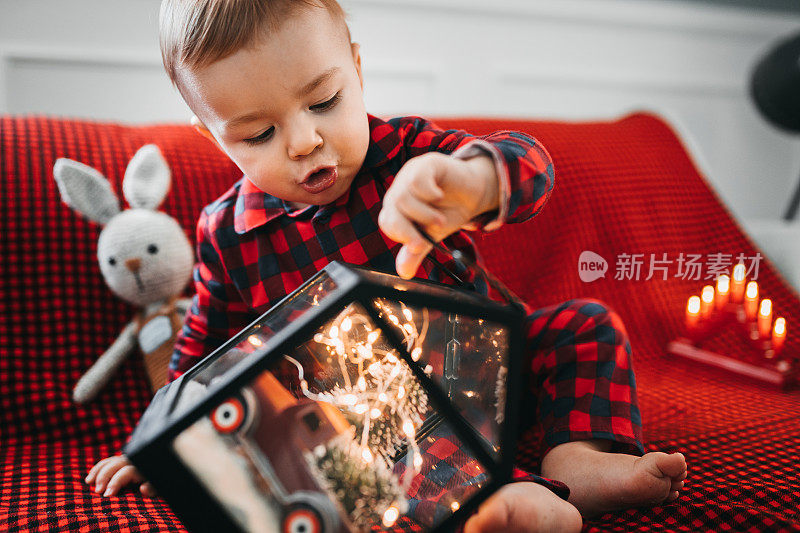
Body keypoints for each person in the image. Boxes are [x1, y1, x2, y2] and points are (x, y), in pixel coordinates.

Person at [85, 1, 687, 530]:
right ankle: (507, 500)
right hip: (388, 411)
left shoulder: (406, 154)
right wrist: (160, 442)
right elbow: (203, 348)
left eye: (324, 101)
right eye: (258, 134)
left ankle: (576, 459)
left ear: (357, 69)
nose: (302, 142)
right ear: (215, 137)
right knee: (356, 450)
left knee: (587, 325)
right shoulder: (227, 232)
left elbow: (530, 163)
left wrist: (474, 181)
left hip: (495, 358)